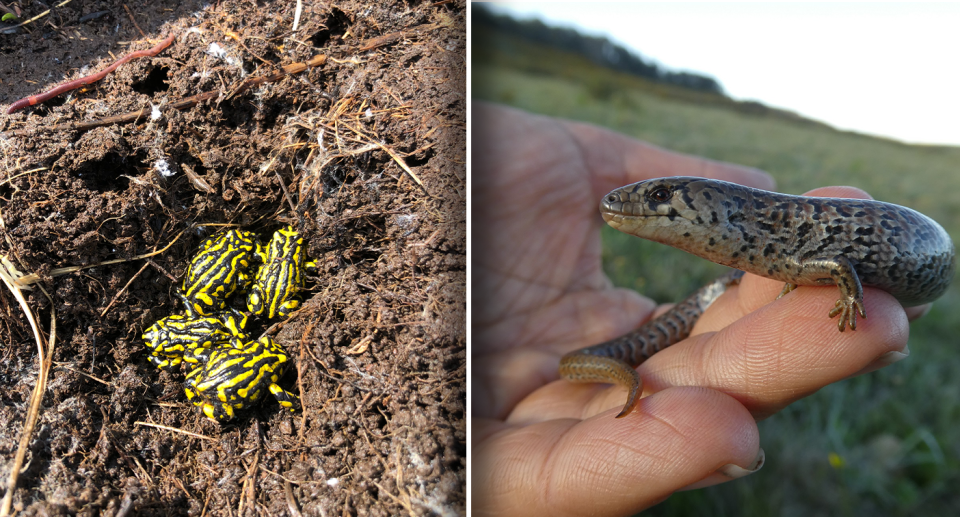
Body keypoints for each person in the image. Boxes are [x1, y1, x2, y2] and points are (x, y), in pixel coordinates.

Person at [472, 103, 923, 516]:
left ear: (721, 206)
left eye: (659, 197)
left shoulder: (781, 246)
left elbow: (837, 264)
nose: (636, 204)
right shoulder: (767, 250)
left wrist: (849, 296)